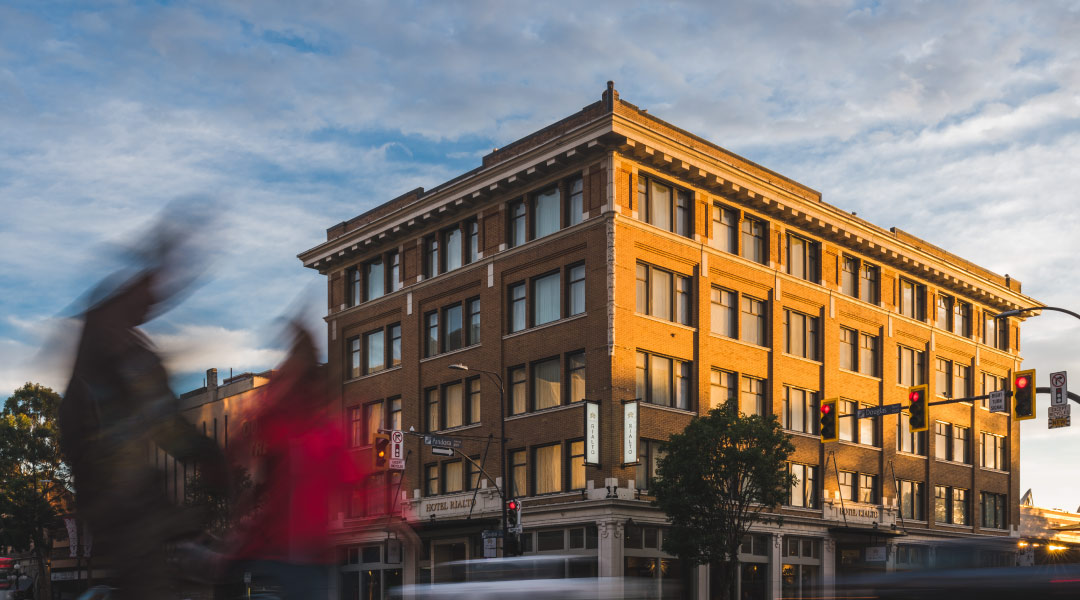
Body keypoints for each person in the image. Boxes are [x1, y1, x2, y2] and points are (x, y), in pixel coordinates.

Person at [60, 249, 227, 599]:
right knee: (149, 579)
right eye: (146, 298)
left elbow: (166, 424)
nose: (153, 307)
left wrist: (206, 454)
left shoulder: (137, 358)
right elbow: (163, 424)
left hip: (137, 494)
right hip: (117, 499)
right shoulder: (106, 352)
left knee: (188, 559)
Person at [226, 323, 368, 598]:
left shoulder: (329, 434)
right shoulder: (282, 422)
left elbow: (353, 479)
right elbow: (240, 450)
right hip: (276, 550)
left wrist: (394, 515)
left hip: (313, 555)